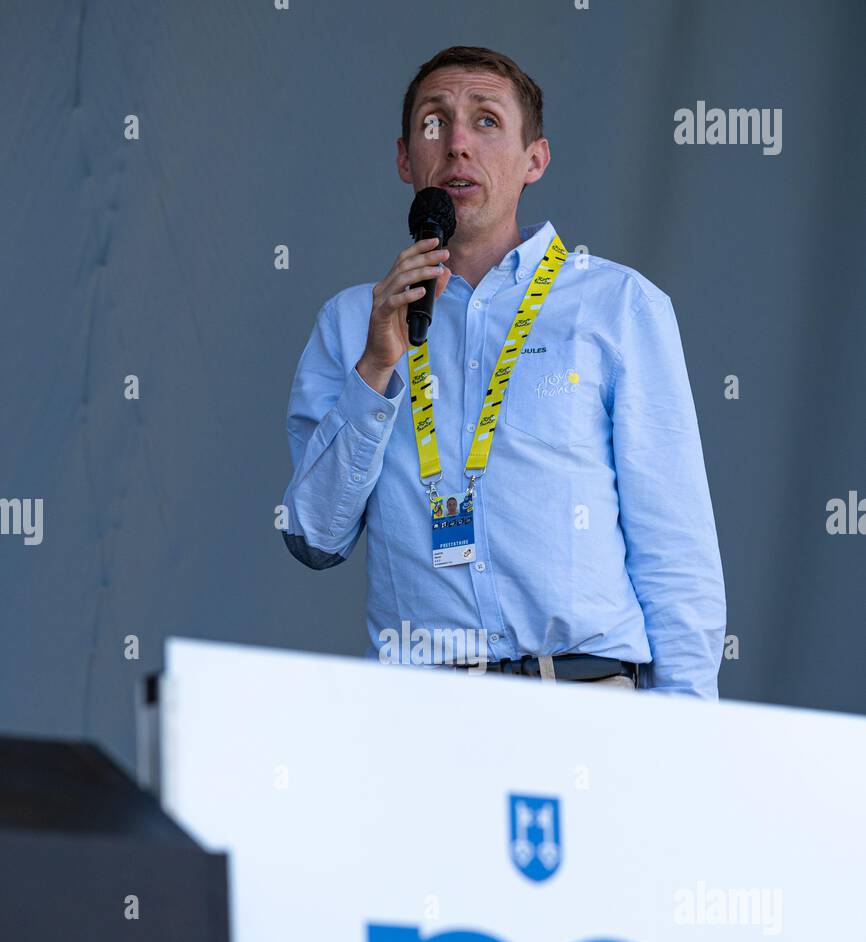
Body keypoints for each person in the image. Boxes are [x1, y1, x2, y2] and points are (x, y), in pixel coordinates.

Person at [281, 45, 727, 696]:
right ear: (406, 158)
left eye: (486, 120)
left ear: (533, 161)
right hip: (423, 720)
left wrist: (686, 734)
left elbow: (676, 547)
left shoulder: (619, 306)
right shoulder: (353, 322)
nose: (458, 143)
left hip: (593, 706)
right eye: (434, 123)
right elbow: (314, 537)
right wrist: (377, 368)